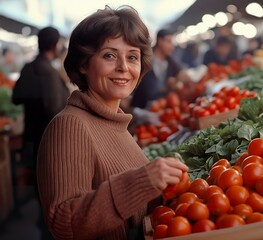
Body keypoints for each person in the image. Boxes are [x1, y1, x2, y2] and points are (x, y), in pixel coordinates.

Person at [36, 6, 188, 240]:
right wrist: (142, 181)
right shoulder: (69, 125)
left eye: (132, 57)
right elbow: (64, 222)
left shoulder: (116, 124)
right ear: (84, 64)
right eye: (109, 55)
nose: (124, 68)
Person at [12, 26, 70, 240]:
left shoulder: (28, 68)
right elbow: (57, 110)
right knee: (51, 185)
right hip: (50, 141)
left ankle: (42, 221)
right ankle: (48, 227)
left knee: (39, 183)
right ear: (55, 45)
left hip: (31, 137)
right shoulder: (50, 73)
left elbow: (16, 98)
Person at [129, 28, 191, 124]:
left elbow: (182, 73)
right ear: (160, 41)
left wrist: (178, 81)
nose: (172, 46)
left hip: (161, 112)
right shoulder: (144, 59)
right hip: (141, 112)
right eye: (169, 41)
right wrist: (137, 112)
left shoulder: (170, 61)